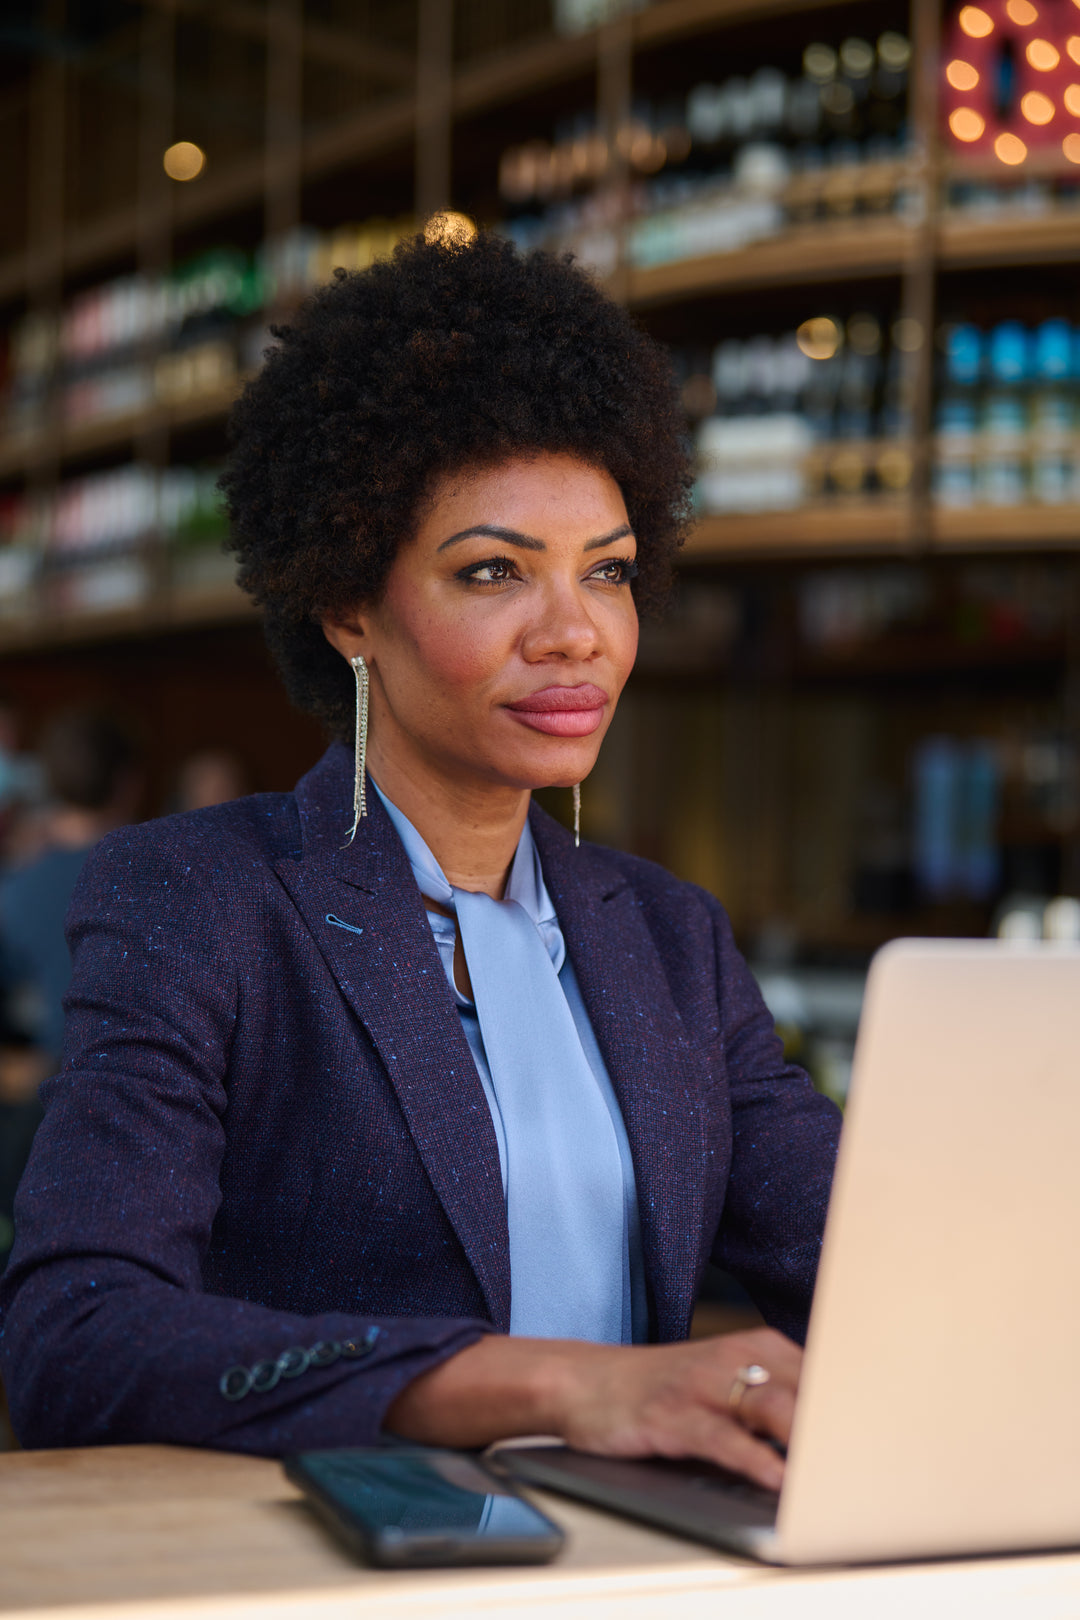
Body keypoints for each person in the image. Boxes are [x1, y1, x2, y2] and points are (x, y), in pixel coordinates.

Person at [0, 232, 840, 1490]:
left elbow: (868, 1265)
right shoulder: (203, 898)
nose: (576, 634)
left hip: (637, 1568)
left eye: (607, 574)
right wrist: (561, 1383)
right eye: (494, 571)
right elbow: (75, 1337)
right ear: (349, 606)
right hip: (348, 1562)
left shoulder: (669, 936)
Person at [0, 710, 140, 1260]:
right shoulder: (161, 878)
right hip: (147, 1120)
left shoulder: (16, 890)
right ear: (130, 780)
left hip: (39, 1127)